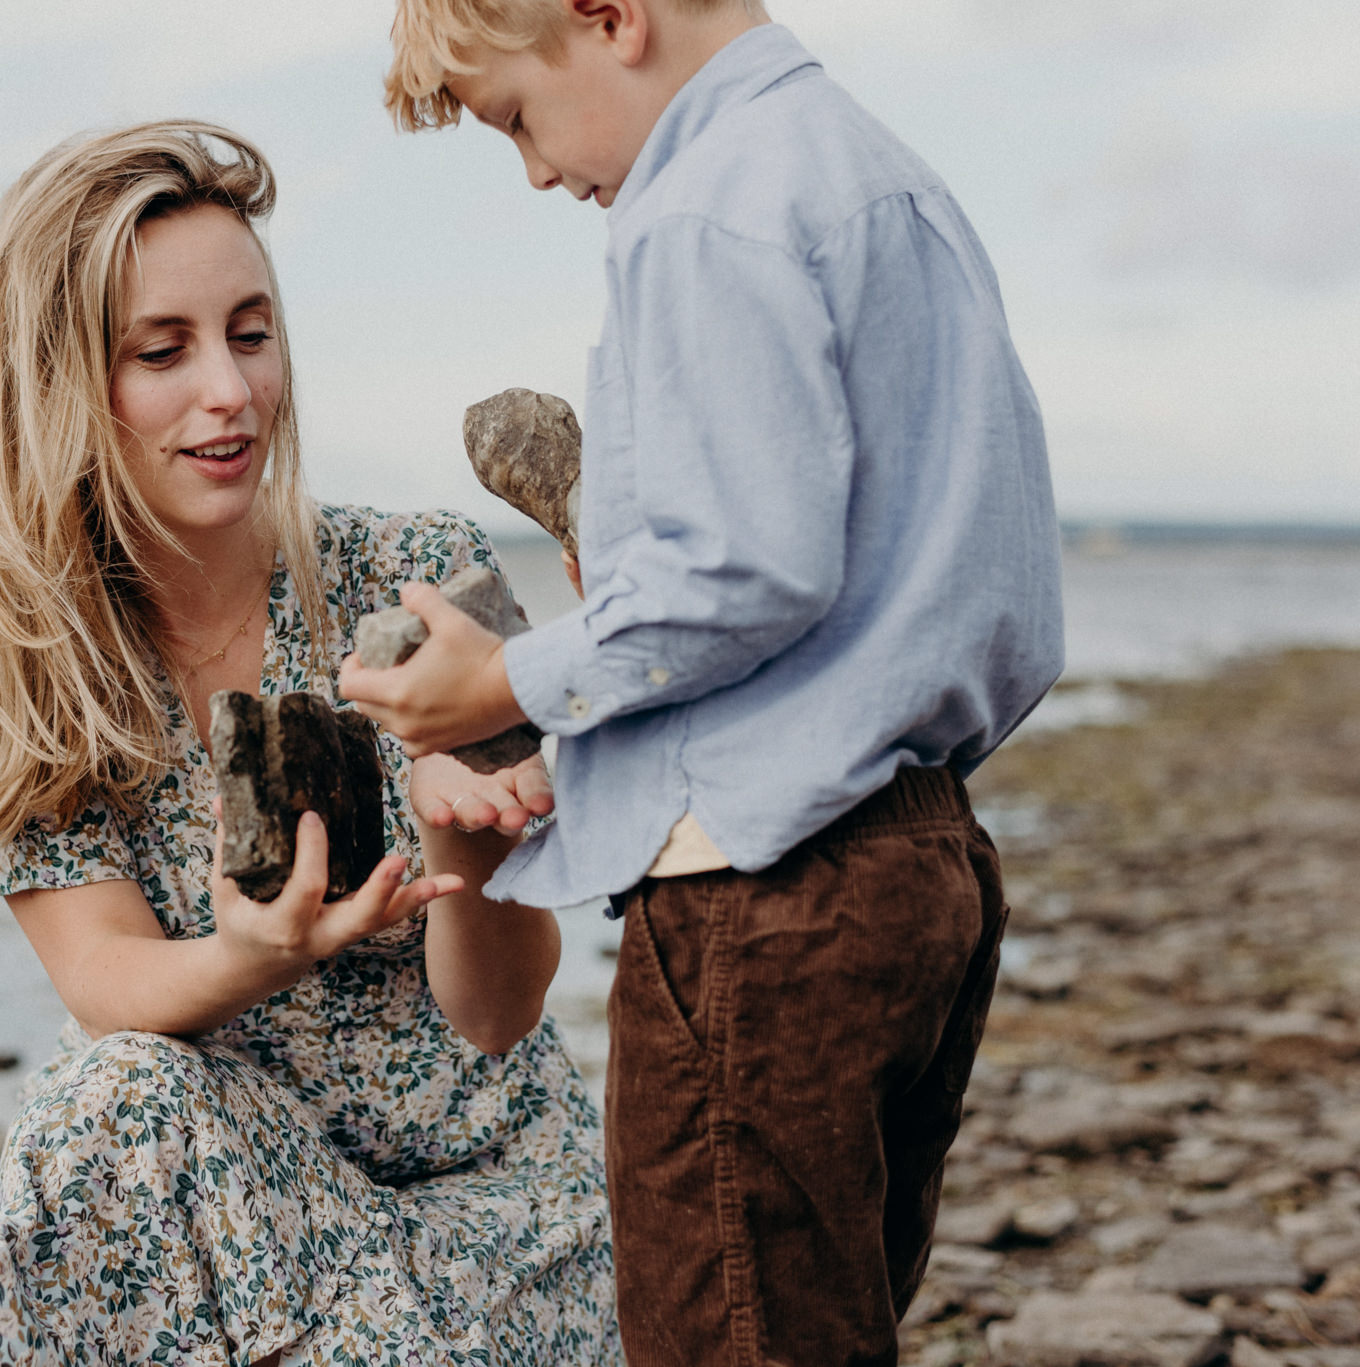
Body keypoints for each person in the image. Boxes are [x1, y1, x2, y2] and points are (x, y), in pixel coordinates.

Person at [348, 2, 1064, 1362]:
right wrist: (608, 760)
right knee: (822, 1320)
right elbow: (966, 579)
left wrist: (504, 675)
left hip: (766, 894)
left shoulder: (701, 210)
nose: (539, 173)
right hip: (925, 862)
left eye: (514, 119)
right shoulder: (884, 178)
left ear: (606, 15)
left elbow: (740, 566)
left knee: (720, 1333)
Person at [0, 120, 619, 1365]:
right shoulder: (10, 632)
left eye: (248, 332)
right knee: (102, 1103)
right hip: (216, 1182)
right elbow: (106, 980)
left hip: (477, 1198)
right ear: (65, 379)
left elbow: (500, 1012)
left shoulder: (413, 577)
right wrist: (259, 950)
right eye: (161, 351)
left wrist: (453, 811)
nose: (227, 391)